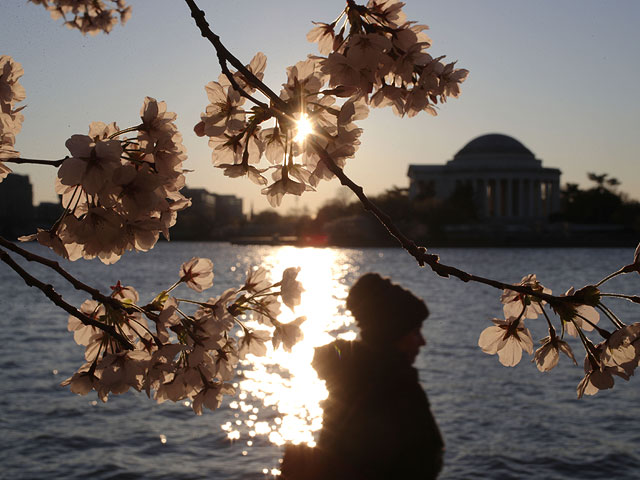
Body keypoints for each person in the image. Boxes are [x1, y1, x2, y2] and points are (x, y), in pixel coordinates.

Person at [281, 273, 444, 479]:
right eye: (415, 332)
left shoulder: (351, 378)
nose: (422, 342)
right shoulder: (391, 390)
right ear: (392, 334)